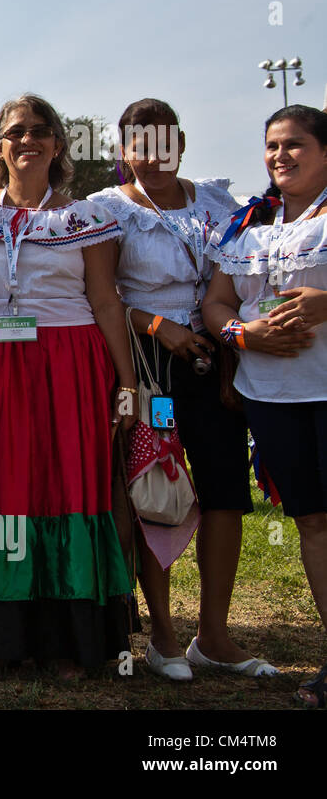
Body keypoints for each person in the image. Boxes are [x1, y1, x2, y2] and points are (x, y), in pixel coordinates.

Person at [0, 94, 137, 680]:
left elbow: (107, 301)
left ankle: (67, 641)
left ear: (58, 145)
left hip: (69, 360)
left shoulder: (88, 217)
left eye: (39, 131)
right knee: (4, 493)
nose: (26, 139)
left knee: (67, 487)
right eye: (15, 132)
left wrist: (128, 385)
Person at [88, 98, 262, 682]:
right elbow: (102, 296)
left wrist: (230, 352)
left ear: (181, 144)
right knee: (153, 487)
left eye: (164, 143)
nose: (153, 156)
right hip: (149, 366)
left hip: (215, 361)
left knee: (225, 493)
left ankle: (213, 634)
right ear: (123, 152)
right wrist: (163, 327)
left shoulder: (217, 202)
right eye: (139, 145)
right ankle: (161, 633)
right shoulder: (110, 210)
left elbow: (237, 277)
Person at [202, 104, 327, 705]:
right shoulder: (248, 223)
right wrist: (244, 336)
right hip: (271, 396)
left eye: (296, 144)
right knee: (314, 524)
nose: (281, 156)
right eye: (273, 145)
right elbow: (216, 305)